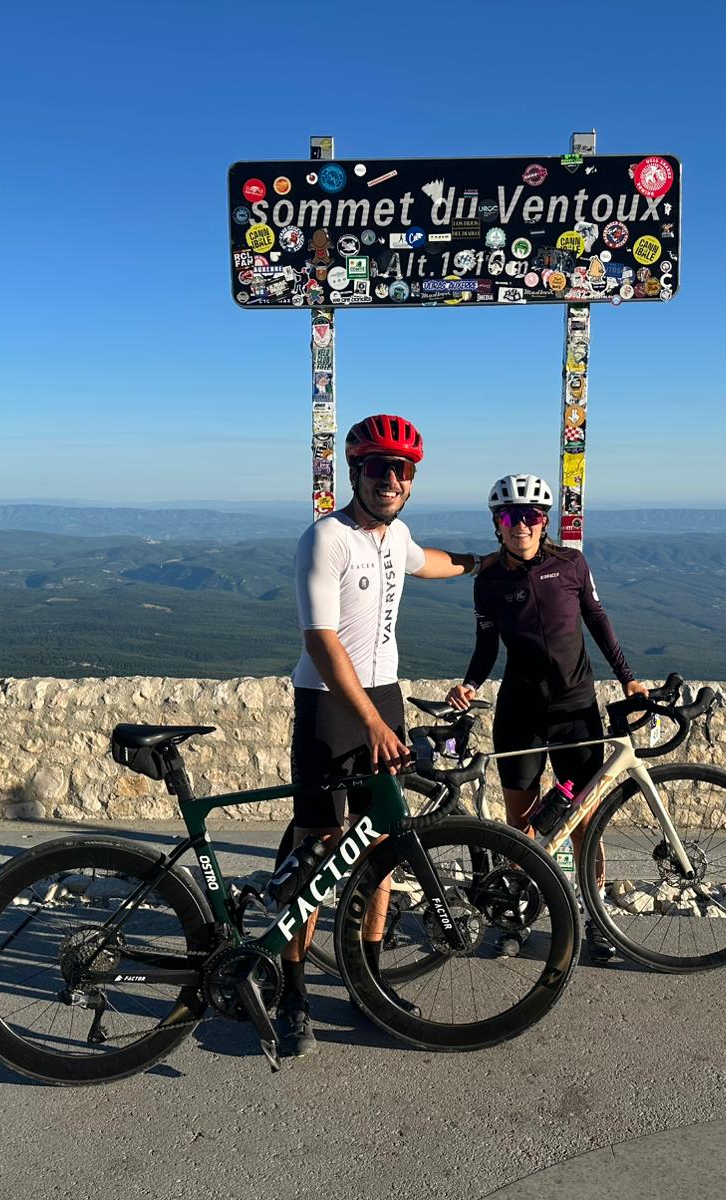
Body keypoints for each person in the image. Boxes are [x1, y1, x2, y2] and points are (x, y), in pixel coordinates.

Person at [278, 413, 484, 1058]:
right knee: (316, 852)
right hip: (330, 705)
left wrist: (490, 559)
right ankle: (292, 993)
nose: (391, 478)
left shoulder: (397, 538)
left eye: (403, 469)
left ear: (412, 479)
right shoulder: (326, 538)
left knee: (386, 847)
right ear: (355, 471)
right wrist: (367, 719)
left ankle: (368, 981)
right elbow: (321, 638)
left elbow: (432, 563)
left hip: (385, 699)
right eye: (377, 467)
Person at [445, 473, 647, 965]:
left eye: (531, 516)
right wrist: (470, 684)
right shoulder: (489, 581)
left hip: (575, 710)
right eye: (510, 517)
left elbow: (598, 620)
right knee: (521, 822)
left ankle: (595, 918)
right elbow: (486, 645)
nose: (522, 525)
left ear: (545, 521)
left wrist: (628, 679)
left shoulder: (571, 564)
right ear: (497, 524)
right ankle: (517, 913)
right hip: (520, 713)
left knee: (582, 819)